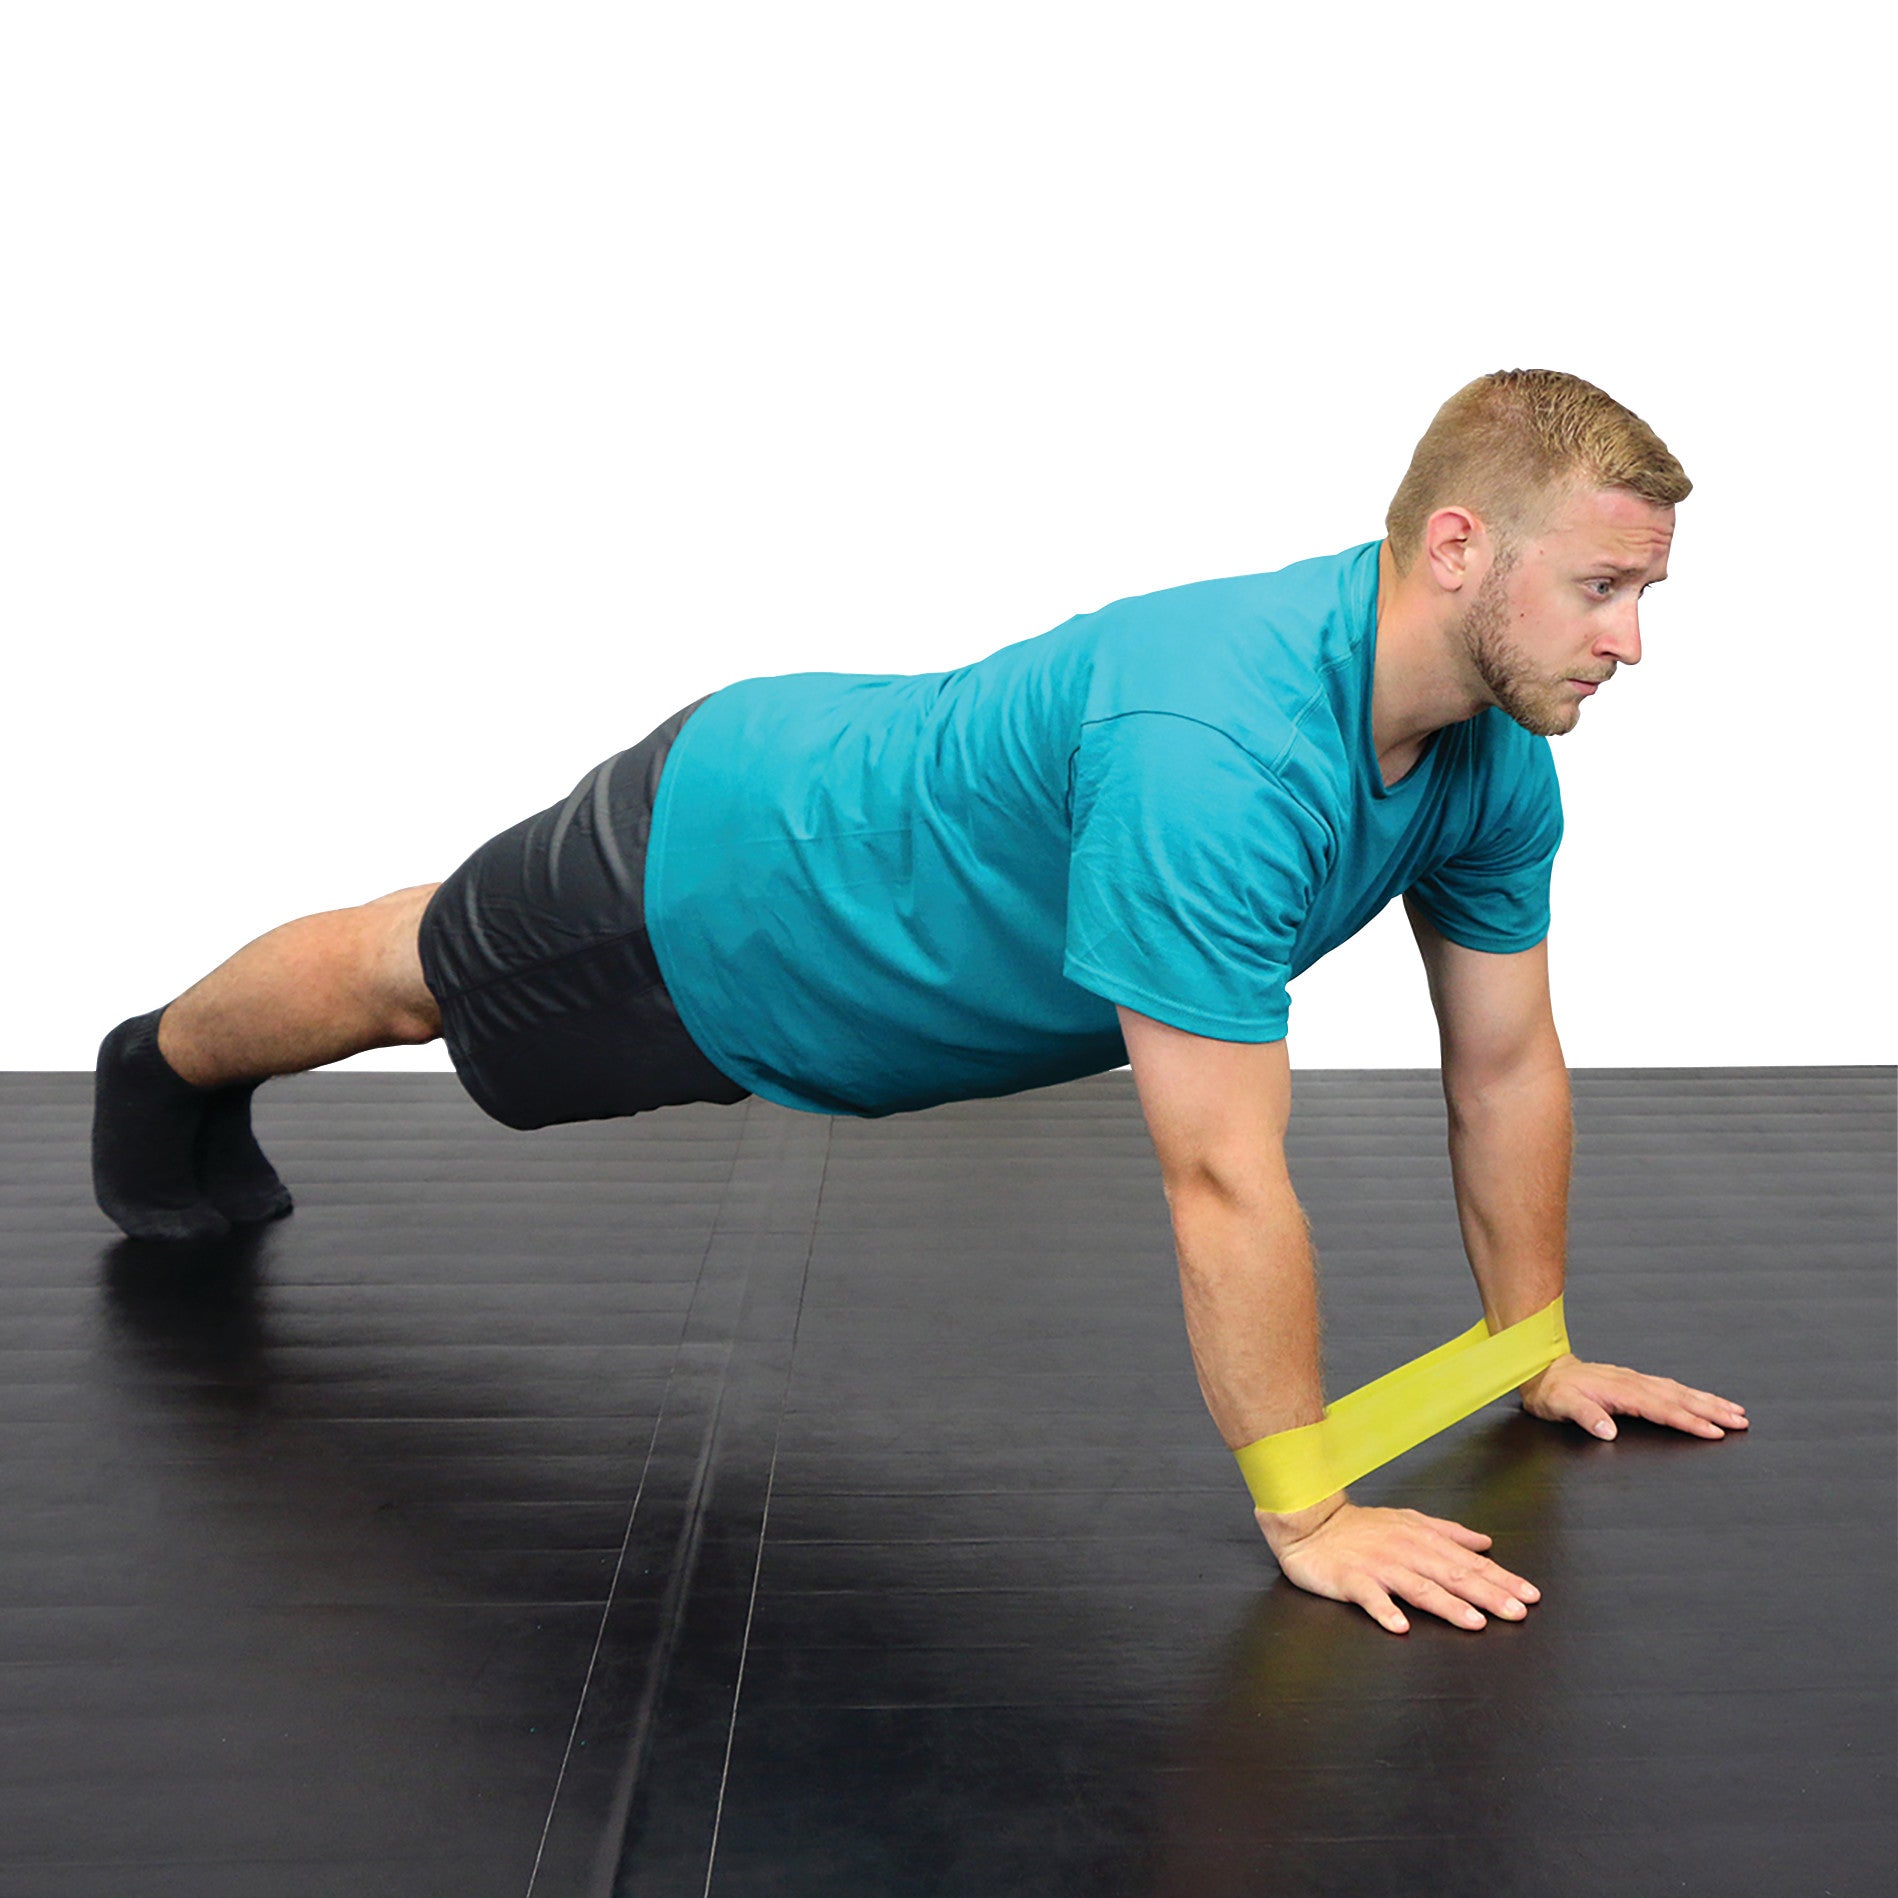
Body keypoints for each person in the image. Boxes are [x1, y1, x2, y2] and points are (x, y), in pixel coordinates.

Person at [91, 367, 1750, 1633]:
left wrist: (1530, 1347)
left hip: (841, 872)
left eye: (1643, 597)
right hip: (732, 888)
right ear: (1458, 547)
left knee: (425, 961)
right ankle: (156, 1067)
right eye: (1601, 589)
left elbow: (1506, 1066)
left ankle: (179, 1062)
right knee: (418, 971)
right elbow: (1221, 1173)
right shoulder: (1215, 756)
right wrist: (1307, 1510)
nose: (1628, 641)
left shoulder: (1489, 765)